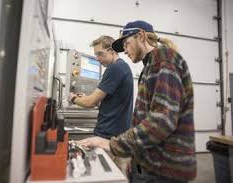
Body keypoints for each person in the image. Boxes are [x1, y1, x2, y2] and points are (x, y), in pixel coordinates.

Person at [77, 20, 197, 183]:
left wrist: (113, 145)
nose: (125, 51)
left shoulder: (165, 60)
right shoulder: (151, 65)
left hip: (163, 169)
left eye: (126, 43)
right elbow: (147, 119)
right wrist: (134, 158)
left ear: (140, 36)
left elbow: (161, 122)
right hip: (149, 165)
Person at [70, 35, 134, 139]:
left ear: (111, 51)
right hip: (118, 132)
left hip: (108, 133)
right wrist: (86, 97)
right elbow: (114, 101)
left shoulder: (115, 68)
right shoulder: (123, 66)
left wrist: (72, 98)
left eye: (100, 54)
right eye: (96, 55)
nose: (97, 59)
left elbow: (90, 102)